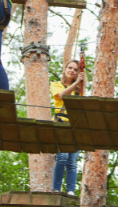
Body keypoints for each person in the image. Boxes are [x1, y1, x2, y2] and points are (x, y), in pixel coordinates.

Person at [50, 59, 85, 196]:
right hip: (61, 123)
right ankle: (56, 189)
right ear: (65, 69)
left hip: (75, 126)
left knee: (72, 161)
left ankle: (70, 190)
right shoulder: (56, 85)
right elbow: (61, 96)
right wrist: (77, 83)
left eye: (76, 70)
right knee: (62, 157)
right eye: (70, 68)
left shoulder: (79, 92)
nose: (72, 71)